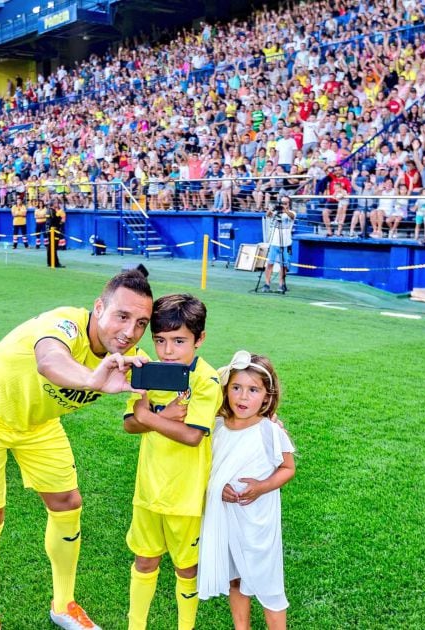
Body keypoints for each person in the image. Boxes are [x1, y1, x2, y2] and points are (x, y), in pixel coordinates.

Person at [0, 270, 154, 630]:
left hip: (36, 424)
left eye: (141, 323)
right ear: (98, 308)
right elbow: (49, 360)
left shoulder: (130, 356)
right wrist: (92, 379)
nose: (130, 332)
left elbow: (152, 407)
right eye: (122, 317)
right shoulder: (65, 324)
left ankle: (63, 605)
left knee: (67, 503)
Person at [123, 294, 222, 630]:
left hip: (186, 497)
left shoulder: (205, 381)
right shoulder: (147, 373)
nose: (168, 351)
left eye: (179, 341)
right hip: (148, 492)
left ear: (200, 339)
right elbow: (129, 424)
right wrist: (164, 415)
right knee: (145, 560)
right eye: (160, 341)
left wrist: (149, 417)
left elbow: (193, 435)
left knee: (186, 568)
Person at [198, 350, 295, 630]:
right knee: (235, 577)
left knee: (268, 583)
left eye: (253, 390)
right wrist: (219, 488)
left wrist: (261, 487)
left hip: (257, 523)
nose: (242, 397)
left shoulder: (270, 431)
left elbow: (287, 468)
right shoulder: (216, 426)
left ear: (267, 395)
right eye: (236, 388)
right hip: (226, 518)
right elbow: (209, 467)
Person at [262, 195, 296, 294]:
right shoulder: (276, 213)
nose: (284, 204)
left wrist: (285, 210)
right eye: (282, 202)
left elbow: (292, 216)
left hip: (286, 243)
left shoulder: (292, 213)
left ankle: (281, 284)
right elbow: (267, 215)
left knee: (284, 265)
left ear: (289, 204)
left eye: (286, 203)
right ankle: (267, 283)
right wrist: (272, 209)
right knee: (270, 263)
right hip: (274, 242)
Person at [45, 199, 65, 268]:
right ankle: (55, 263)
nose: (57, 204)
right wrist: (60, 219)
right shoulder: (52, 211)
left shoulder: (48, 210)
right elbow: (55, 220)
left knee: (50, 246)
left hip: (49, 230)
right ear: (53, 204)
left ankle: (49, 262)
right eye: (56, 203)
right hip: (53, 231)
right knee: (54, 247)